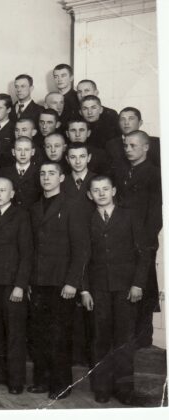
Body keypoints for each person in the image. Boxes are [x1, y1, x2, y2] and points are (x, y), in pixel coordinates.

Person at [82, 176, 150, 405]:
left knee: (124, 340)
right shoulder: (87, 220)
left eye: (105, 189)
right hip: (98, 289)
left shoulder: (129, 216)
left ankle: (124, 389)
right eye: (96, 190)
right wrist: (85, 290)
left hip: (126, 289)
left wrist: (138, 283)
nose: (101, 193)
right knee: (100, 339)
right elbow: (82, 258)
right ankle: (102, 387)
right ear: (89, 195)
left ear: (114, 191)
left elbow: (143, 254)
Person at [27, 162, 90, 400]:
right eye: (42, 173)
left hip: (62, 282)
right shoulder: (34, 208)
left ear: (62, 178)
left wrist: (73, 282)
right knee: (39, 334)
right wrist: (30, 281)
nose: (46, 177)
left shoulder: (73, 205)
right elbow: (32, 247)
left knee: (59, 335)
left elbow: (81, 248)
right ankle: (42, 380)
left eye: (51, 173)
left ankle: (61, 384)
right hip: (39, 281)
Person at [0, 177, 33, 394]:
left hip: (12, 284)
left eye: (3, 190)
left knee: (14, 333)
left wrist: (20, 285)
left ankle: (15, 380)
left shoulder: (21, 215)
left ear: (12, 194)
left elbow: (27, 253)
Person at [114, 130, 162, 348]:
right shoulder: (121, 171)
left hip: (143, 241)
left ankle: (143, 339)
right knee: (124, 288)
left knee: (143, 286)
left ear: (146, 147)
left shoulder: (155, 174)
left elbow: (156, 214)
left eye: (133, 145)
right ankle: (126, 338)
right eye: (126, 145)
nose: (128, 149)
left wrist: (145, 241)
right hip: (121, 240)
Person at [106, 107, 160, 171]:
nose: (126, 123)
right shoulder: (111, 145)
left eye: (131, 119)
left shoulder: (156, 143)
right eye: (122, 119)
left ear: (140, 123)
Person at [0, 137, 41, 210]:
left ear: (33, 152)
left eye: (26, 150)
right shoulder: (3, 173)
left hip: (31, 214)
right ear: (13, 152)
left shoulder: (39, 172)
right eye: (19, 150)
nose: (23, 154)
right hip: (10, 215)